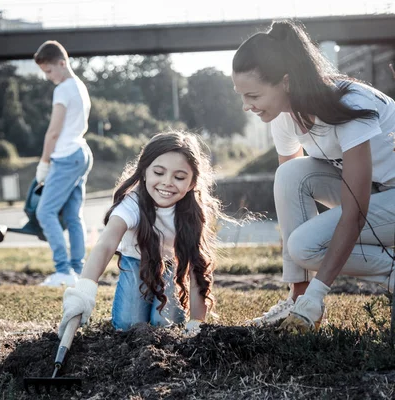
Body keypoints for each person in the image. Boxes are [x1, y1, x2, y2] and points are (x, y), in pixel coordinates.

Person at [232, 20, 395, 332]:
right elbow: (290, 194)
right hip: (375, 194)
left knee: (306, 246)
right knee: (290, 173)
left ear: (286, 82)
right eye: (241, 95)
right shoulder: (283, 116)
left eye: (252, 95)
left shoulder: (350, 105)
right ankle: (298, 299)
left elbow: (355, 212)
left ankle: (315, 299)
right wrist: (304, 295)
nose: (245, 106)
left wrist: (320, 292)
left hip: (383, 197)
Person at [58, 131, 221, 337]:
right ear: (144, 172)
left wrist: (197, 322)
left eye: (179, 177)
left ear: (191, 183)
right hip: (135, 263)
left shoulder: (192, 212)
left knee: (164, 324)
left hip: (170, 266)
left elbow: (197, 268)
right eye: (159, 173)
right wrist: (83, 292)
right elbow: (105, 244)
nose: (167, 182)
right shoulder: (132, 203)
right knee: (128, 325)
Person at [33, 40, 93, 287]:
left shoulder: (63, 89)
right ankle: (76, 271)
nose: (48, 77)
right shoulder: (80, 86)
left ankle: (63, 271)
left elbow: (53, 132)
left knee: (45, 212)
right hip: (81, 152)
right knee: (73, 215)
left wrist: (44, 163)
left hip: (66, 156)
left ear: (61, 62)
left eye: (48, 71)